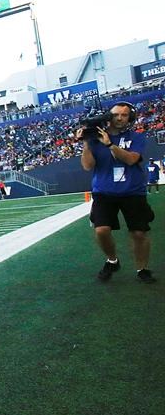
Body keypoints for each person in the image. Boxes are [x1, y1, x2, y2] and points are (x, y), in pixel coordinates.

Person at [78, 101, 155, 283]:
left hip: (132, 191)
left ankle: (142, 269)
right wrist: (86, 143)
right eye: (116, 114)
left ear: (130, 118)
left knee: (139, 233)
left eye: (124, 115)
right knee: (101, 230)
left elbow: (131, 159)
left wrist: (110, 145)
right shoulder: (95, 139)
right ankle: (112, 260)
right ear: (108, 117)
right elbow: (88, 166)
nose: (119, 118)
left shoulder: (136, 137)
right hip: (104, 191)